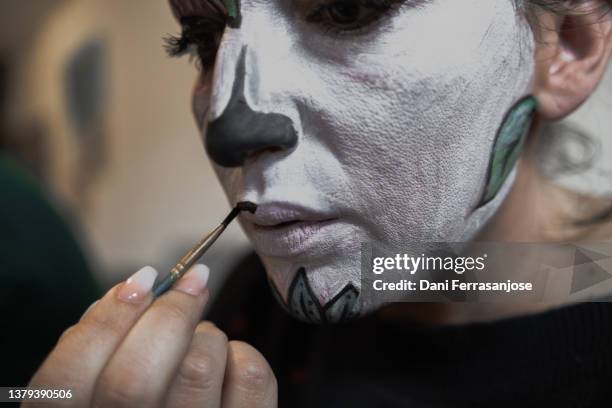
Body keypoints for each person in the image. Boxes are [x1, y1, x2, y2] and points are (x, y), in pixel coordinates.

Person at [27, 0, 612, 407]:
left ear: (567, 48)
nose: (228, 130)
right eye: (202, 43)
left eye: (347, 8)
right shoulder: (253, 311)